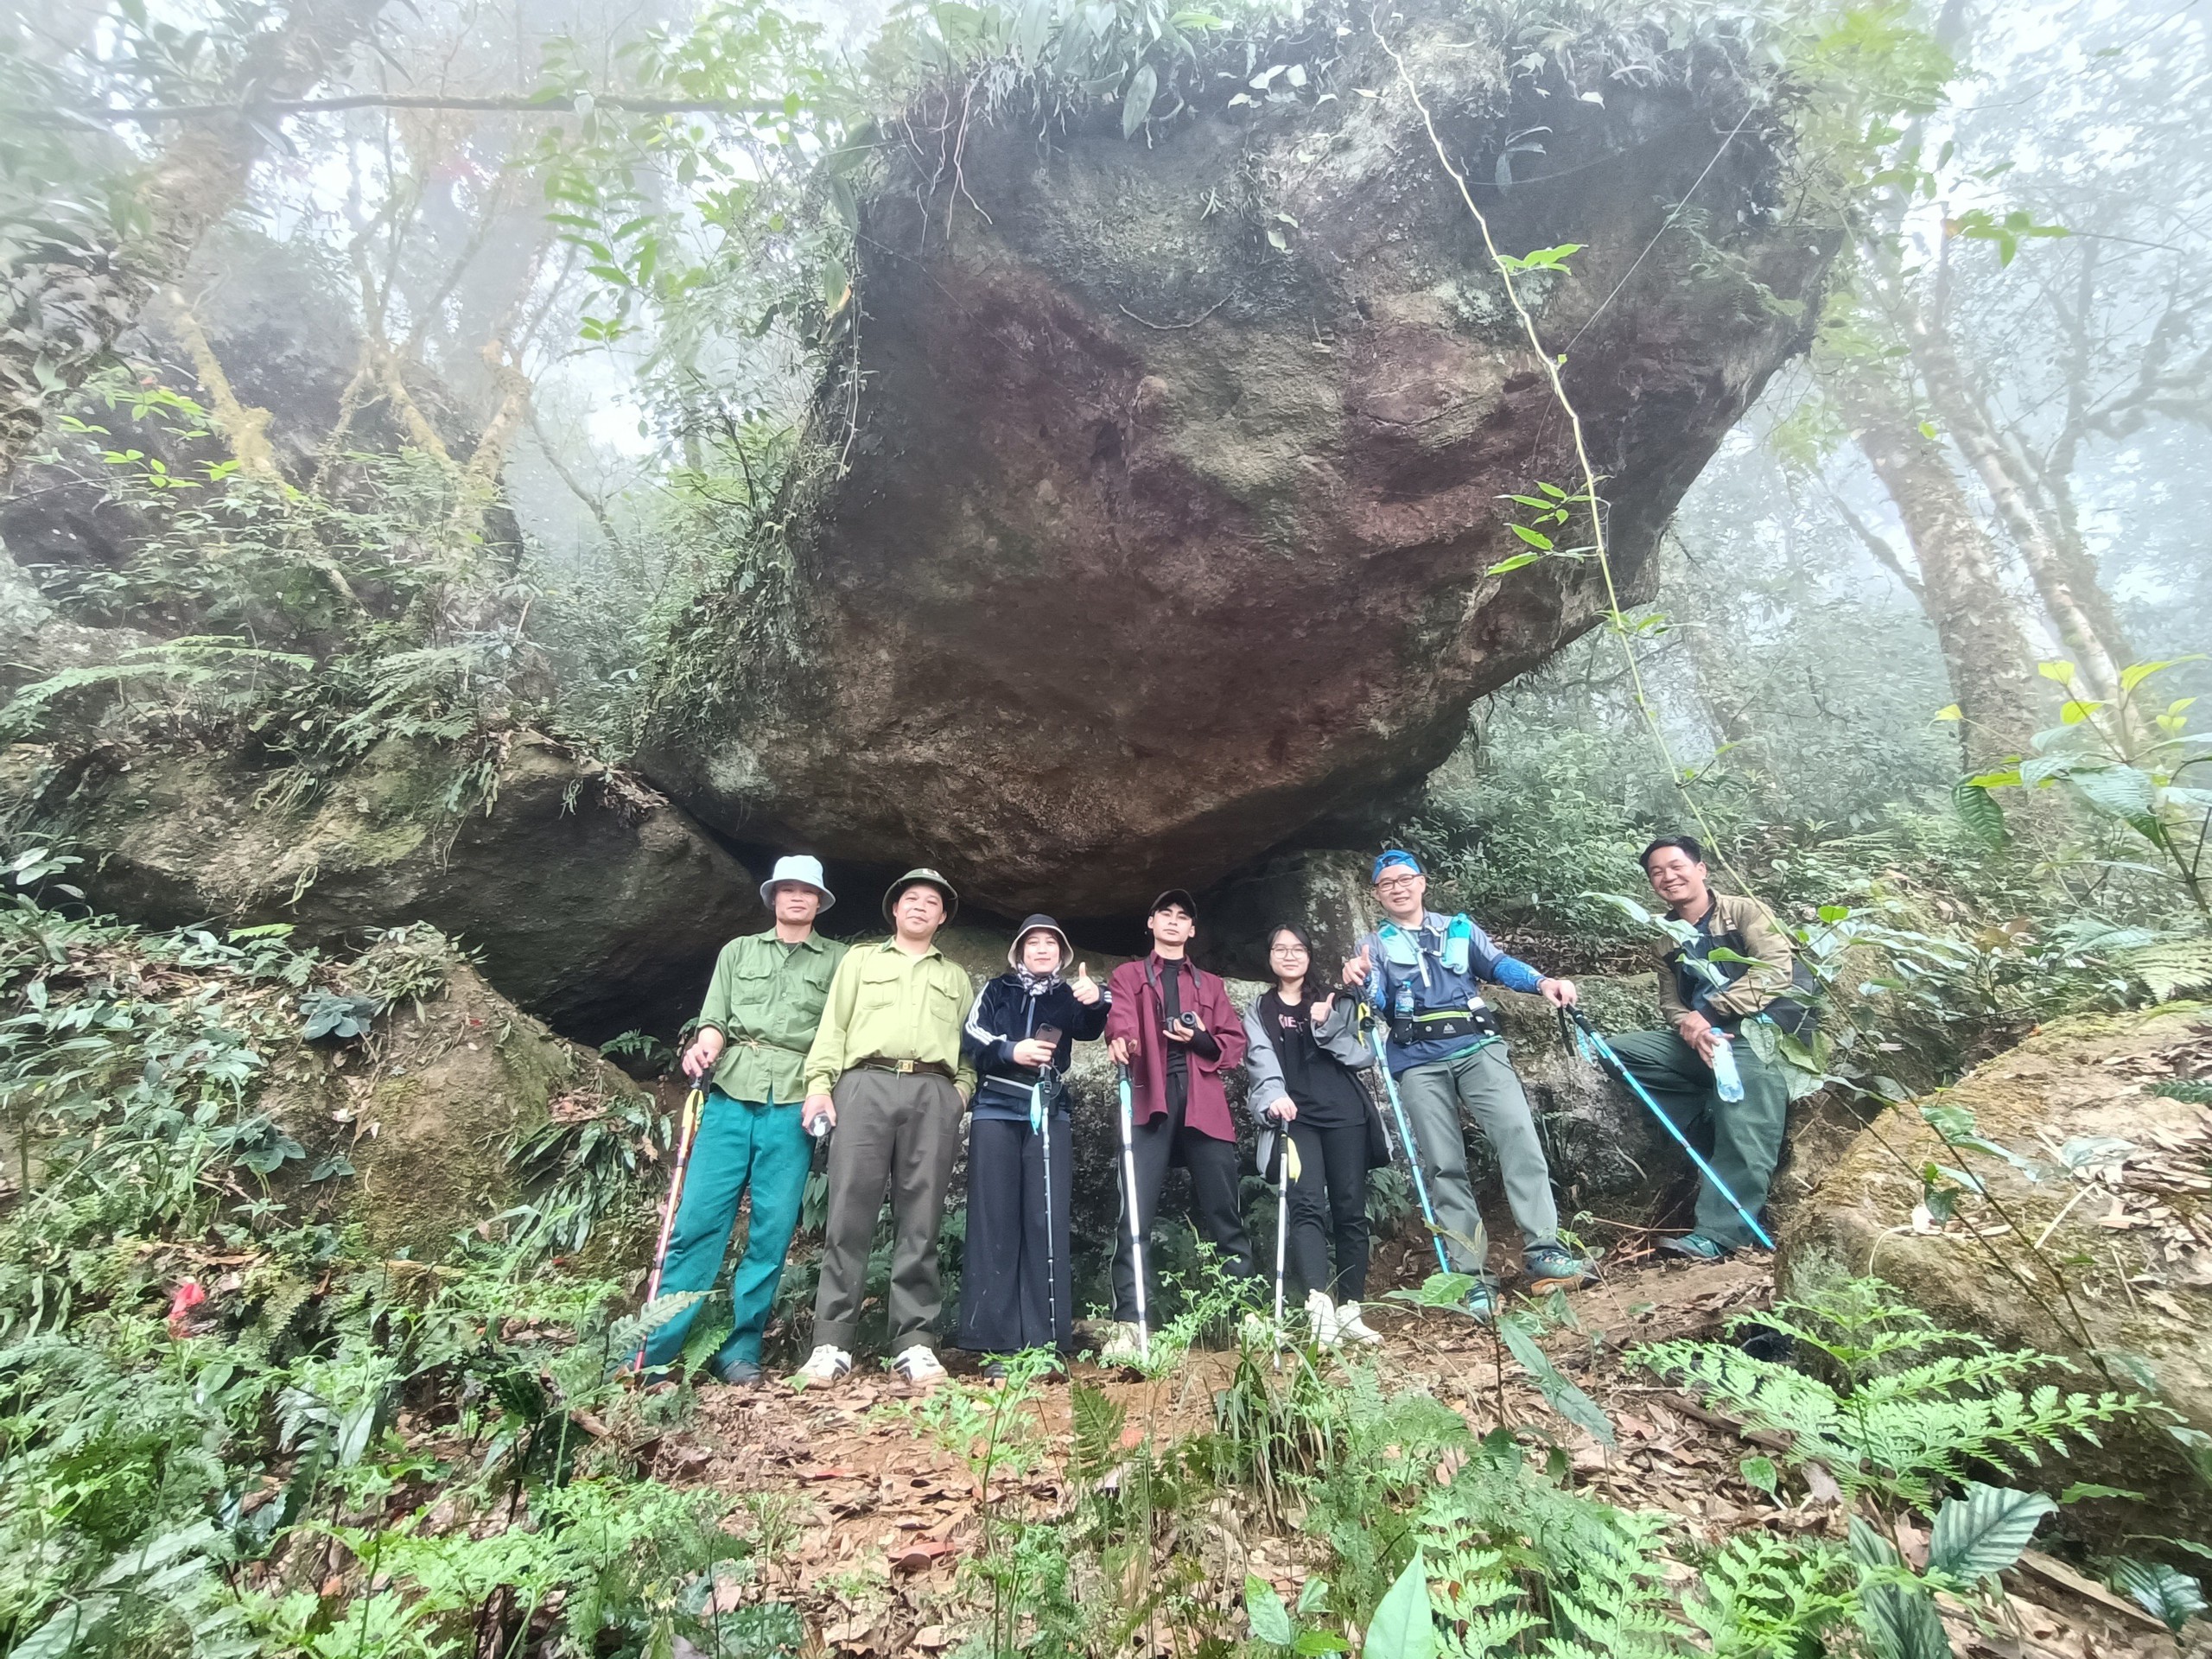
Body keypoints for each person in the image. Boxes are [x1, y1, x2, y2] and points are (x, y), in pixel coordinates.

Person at [1341, 850, 1592, 1319]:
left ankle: (1544, 1252)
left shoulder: (1458, 928)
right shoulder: (1371, 945)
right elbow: (1374, 997)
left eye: (1405, 879)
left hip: (1477, 1047)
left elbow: (1497, 965)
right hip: (1417, 1060)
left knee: (1518, 1136)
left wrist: (1542, 982)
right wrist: (1359, 979)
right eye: (1386, 883)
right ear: (1376, 895)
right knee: (1443, 1164)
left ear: (1422, 883)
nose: (1397, 887)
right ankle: (1472, 1276)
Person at [639, 855, 849, 1388]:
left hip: (795, 1103)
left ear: (820, 901)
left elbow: (843, 1030)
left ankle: (740, 1350)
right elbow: (715, 1019)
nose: (797, 898)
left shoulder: (840, 963)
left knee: (771, 1232)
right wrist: (703, 1046)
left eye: (807, 891)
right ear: (773, 898)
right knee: (695, 1225)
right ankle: (657, 1352)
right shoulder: (738, 952)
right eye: (787, 889)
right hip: (730, 1095)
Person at [793, 868, 978, 1387]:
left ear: (942, 918)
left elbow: (970, 1050)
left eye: (932, 903)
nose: (920, 907)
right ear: (895, 909)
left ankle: (914, 1343)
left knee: (921, 1218)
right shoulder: (860, 960)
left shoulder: (956, 977)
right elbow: (834, 1025)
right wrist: (820, 1084)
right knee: (849, 1211)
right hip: (864, 1085)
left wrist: (958, 1094)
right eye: (911, 899)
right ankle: (831, 1342)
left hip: (932, 1091)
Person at [1606, 835, 1813, 1261]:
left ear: (1700, 870)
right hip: (1704, 1040)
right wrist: (1691, 1027)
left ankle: (1722, 1234)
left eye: (1676, 866)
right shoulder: (1666, 939)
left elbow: (1777, 971)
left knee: (1745, 1121)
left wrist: (1714, 1012)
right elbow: (1670, 1002)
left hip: (1760, 1032)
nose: (1668, 876)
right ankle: (1707, 1113)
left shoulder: (1744, 911)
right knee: (1617, 1053)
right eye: (1657, 872)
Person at [1100, 889, 1251, 1362]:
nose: (1172, 921)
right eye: (1164, 913)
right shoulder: (1128, 975)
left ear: (1192, 931)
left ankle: (1241, 1311)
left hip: (1203, 1101)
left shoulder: (1210, 984)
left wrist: (1200, 1038)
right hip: (1150, 1098)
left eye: (1182, 916)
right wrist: (1121, 1040)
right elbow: (1120, 1017)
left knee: (1225, 1211)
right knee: (1136, 1214)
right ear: (1150, 924)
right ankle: (1130, 1319)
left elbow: (1233, 1043)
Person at [956, 916, 1109, 1369]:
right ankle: (996, 1343)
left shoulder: (1068, 994)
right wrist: (1011, 1050)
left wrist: (1097, 998)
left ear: (1062, 954)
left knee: (1046, 1219)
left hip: (1049, 1111)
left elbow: (1090, 1024)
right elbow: (973, 1036)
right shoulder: (997, 988)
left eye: (1051, 944)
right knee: (994, 1221)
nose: (1042, 950)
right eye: (1033, 943)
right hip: (996, 1110)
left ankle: (1045, 1343)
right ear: (1019, 950)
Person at [1243, 923, 1388, 1347]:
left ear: (1309, 955)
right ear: (1269, 956)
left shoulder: (1335, 998)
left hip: (1345, 1114)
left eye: (1298, 949)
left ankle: (1351, 1311)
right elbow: (1259, 1061)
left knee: (1350, 1209)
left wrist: (1325, 1025)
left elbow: (1363, 1055)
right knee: (1306, 1206)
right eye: (1280, 949)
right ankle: (1319, 1310)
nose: (1289, 956)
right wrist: (1273, 1096)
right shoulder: (1260, 1009)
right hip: (1296, 1118)